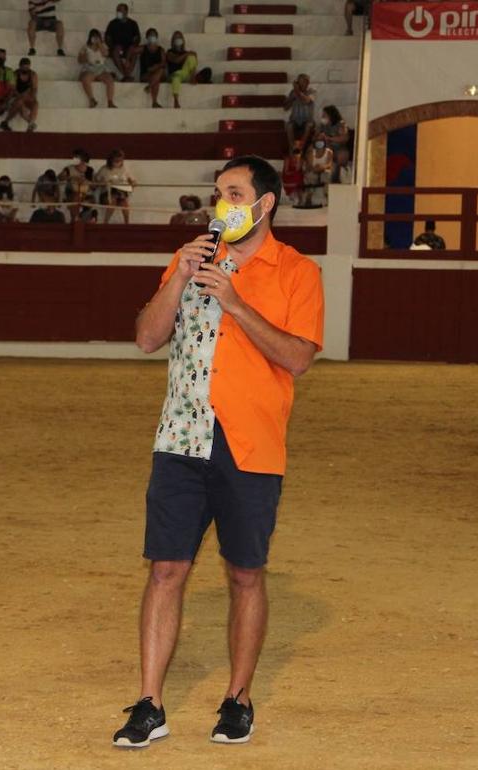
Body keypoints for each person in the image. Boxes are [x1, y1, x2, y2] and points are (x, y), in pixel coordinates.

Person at [118, 154, 324, 750]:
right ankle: (149, 702)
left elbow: (298, 358)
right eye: (217, 193)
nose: (221, 204)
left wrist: (234, 301)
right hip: (180, 437)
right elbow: (146, 337)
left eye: (233, 193)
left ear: (265, 205)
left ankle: (237, 697)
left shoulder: (296, 272)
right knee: (165, 569)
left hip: (250, 443)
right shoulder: (190, 258)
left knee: (244, 574)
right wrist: (181, 278)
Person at [94, 149, 135, 224]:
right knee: (113, 200)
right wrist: (103, 182)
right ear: (111, 160)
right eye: (116, 160)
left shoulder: (124, 169)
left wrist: (132, 183)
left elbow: (132, 180)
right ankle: (105, 222)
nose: (118, 162)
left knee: (125, 203)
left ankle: (127, 223)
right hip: (107, 194)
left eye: (120, 160)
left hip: (121, 193)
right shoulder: (104, 169)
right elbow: (95, 182)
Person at [78, 30, 116, 109]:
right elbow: (79, 60)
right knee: (85, 79)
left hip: (101, 69)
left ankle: (110, 102)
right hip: (89, 69)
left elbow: (105, 54)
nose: (95, 39)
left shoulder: (103, 46)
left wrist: (99, 44)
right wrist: (85, 56)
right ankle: (92, 99)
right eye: (93, 37)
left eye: (97, 37)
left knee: (110, 80)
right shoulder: (85, 47)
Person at [105, 3, 141, 81]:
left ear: (126, 12)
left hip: (129, 49)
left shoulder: (133, 24)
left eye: (120, 10)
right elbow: (107, 38)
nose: (118, 12)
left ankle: (128, 72)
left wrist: (133, 46)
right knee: (115, 51)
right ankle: (124, 74)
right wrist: (112, 46)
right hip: (117, 49)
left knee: (134, 52)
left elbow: (137, 38)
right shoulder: (112, 23)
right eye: (117, 10)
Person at [163, 31, 197, 109]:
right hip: (173, 75)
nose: (178, 39)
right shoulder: (169, 52)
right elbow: (176, 60)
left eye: (179, 37)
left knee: (192, 58)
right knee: (176, 77)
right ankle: (176, 100)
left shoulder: (186, 53)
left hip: (184, 74)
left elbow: (194, 60)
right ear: (173, 40)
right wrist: (187, 54)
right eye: (176, 38)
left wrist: (192, 55)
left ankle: (193, 77)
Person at [283, 74, 316, 152]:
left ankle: (301, 147)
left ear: (307, 82)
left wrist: (297, 91)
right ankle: (293, 148)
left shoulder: (312, 91)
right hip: (295, 121)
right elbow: (285, 108)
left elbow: (306, 100)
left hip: (307, 121)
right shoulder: (293, 92)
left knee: (308, 126)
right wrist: (292, 97)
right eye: (299, 82)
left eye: (303, 82)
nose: (301, 84)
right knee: (289, 125)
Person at [4, 56, 38, 131]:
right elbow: (13, 89)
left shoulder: (33, 74)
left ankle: (31, 123)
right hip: (16, 96)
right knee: (20, 103)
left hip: (27, 96)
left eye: (27, 68)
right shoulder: (15, 74)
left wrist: (32, 97)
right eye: (24, 68)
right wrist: (21, 96)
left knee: (35, 104)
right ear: (20, 66)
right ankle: (30, 123)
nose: (26, 70)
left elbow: (34, 88)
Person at [58, 149, 93, 219]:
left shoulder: (89, 170)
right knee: (76, 197)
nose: (74, 159)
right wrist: (70, 177)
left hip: (85, 193)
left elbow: (93, 185)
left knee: (88, 201)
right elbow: (60, 177)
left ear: (82, 159)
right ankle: (75, 219)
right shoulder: (69, 168)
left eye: (76, 157)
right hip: (72, 192)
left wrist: (85, 181)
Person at [301, 138, 333, 207]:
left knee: (327, 175)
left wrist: (322, 167)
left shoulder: (329, 152)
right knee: (310, 175)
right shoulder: (311, 152)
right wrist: (316, 169)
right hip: (313, 171)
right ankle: (308, 197)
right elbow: (310, 165)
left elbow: (329, 164)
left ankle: (327, 197)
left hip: (323, 171)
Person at [140, 28, 165, 108]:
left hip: (157, 73)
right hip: (145, 75)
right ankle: (154, 102)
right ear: (147, 37)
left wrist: (156, 67)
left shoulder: (161, 50)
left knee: (159, 73)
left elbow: (163, 63)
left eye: (154, 35)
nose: (152, 37)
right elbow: (132, 50)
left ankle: (150, 88)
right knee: (156, 78)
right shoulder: (143, 49)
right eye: (150, 35)